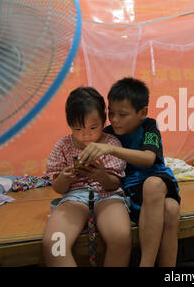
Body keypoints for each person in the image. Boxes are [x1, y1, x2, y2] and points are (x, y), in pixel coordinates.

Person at [79, 78, 181, 267]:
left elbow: (149, 158)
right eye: (111, 112)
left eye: (122, 114)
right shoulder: (107, 133)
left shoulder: (149, 126)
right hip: (132, 191)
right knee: (171, 210)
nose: (115, 119)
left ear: (142, 112)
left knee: (153, 184)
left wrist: (111, 149)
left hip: (158, 183)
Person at [42, 87, 132, 267]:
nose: (86, 134)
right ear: (69, 124)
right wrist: (65, 178)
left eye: (93, 127)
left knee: (121, 237)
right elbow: (58, 188)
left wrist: (101, 176)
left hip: (108, 197)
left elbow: (114, 184)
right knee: (54, 243)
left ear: (103, 120)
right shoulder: (63, 145)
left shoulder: (111, 144)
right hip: (74, 197)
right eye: (78, 128)